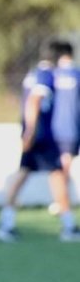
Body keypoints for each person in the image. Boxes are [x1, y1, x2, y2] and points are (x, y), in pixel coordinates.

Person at [0, 40, 80, 243]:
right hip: (42, 136)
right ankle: (69, 227)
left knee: (25, 174)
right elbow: (34, 100)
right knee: (57, 176)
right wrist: (31, 131)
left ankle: (6, 224)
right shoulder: (46, 75)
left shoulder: (33, 73)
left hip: (36, 135)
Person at [51, 41, 80, 211]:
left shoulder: (52, 74)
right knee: (64, 165)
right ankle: (61, 201)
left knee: (61, 166)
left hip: (53, 129)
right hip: (72, 128)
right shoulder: (77, 74)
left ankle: (61, 200)